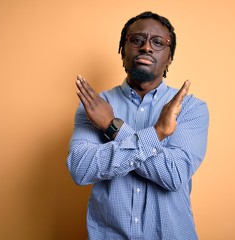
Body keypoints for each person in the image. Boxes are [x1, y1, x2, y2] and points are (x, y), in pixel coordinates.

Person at [67, 11, 209, 240]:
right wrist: (157, 134)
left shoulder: (190, 108)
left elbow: (173, 175)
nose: (146, 48)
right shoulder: (94, 106)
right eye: (137, 40)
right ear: (123, 49)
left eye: (158, 42)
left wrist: (112, 127)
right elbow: (80, 169)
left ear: (170, 57)